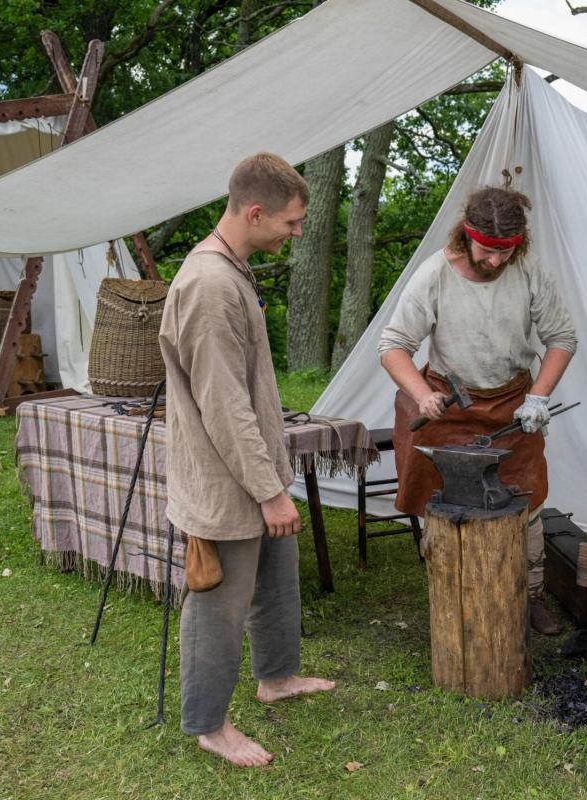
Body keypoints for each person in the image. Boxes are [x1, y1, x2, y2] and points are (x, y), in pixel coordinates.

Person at [159, 152, 334, 768]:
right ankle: (209, 724)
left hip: (255, 472)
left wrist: (271, 480)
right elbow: (224, 406)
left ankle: (277, 677)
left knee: (274, 582)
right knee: (218, 602)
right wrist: (267, 490)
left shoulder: (234, 269)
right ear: (254, 212)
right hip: (226, 482)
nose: (294, 234)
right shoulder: (209, 286)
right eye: (289, 223)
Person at [379, 186, 577, 636]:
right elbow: (393, 346)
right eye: (487, 251)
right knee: (439, 505)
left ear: (518, 245)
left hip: (513, 402)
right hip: (446, 406)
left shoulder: (528, 270)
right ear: (466, 237)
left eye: (505, 252)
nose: (495, 262)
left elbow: (562, 338)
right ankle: (449, 595)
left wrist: (539, 397)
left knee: (526, 500)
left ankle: (530, 597)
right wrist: (419, 394)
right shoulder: (435, 274)